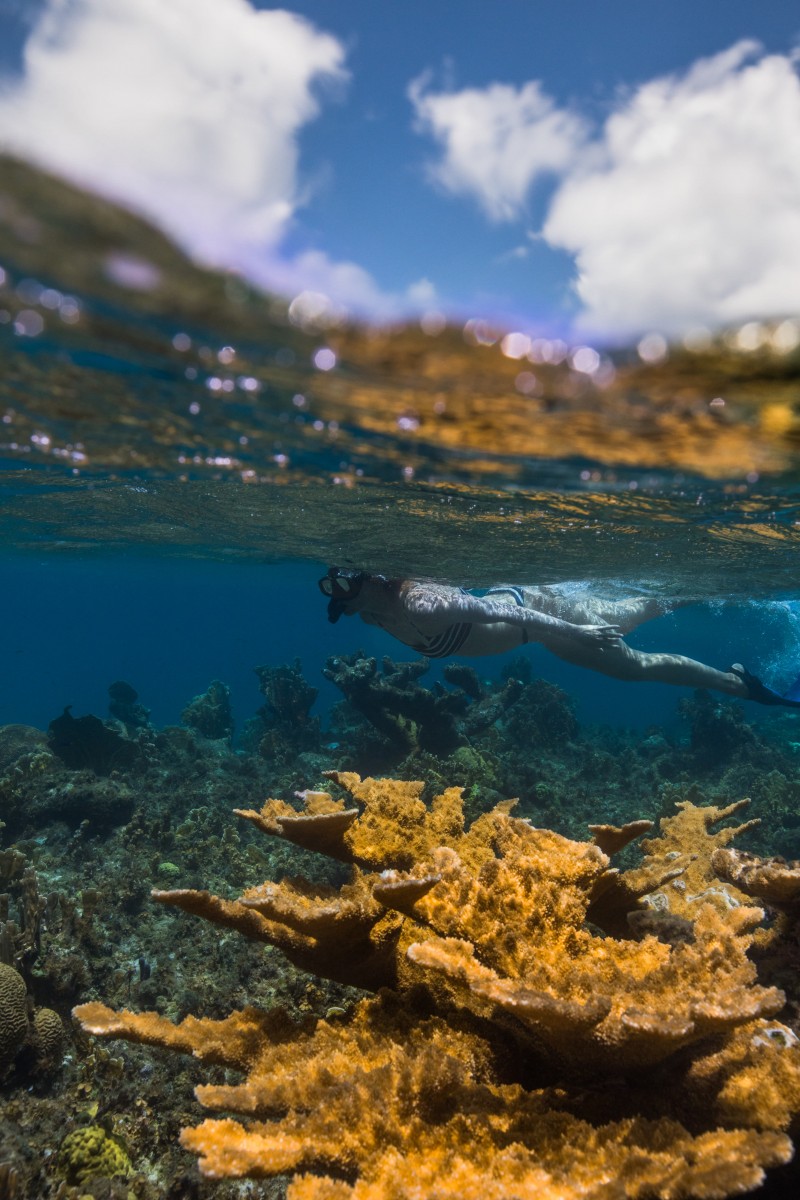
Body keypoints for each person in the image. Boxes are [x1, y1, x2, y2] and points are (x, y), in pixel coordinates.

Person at [318, 566, 800, 707]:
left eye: (344, 588)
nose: (342, 601)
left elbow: (497, 610)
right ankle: (715, 607)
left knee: (631, 645)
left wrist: (577, 631)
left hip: (540, 611)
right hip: (536, 627)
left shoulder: (421, 604)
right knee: (631, 638)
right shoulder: (371, 614)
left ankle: (739, 678)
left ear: (372, 580)